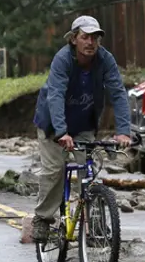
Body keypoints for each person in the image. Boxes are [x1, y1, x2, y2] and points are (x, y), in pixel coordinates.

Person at [31, 15, 132, 243]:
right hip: (52, 124)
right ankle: (43, 218)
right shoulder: (63, 59)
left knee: (89, 173)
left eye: (95, 38)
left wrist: (123, 131)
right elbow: (56, 95)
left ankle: (95, 224)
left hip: (83, 124)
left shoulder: (105, 59)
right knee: (55, 170)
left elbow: (117, 93)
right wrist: (61, 132)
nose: (90, 42)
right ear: (74, 39)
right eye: (85, 37)